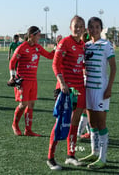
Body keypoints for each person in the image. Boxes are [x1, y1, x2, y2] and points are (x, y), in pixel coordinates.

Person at [47, 15, 86, 170]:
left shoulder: (83, 45)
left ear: (84, 29)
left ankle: (71, 155)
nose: (78, 28)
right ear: (70, 27)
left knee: (75, 123)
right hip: (66, 89)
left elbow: (82, 65)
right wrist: (62, 83)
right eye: (76, 26)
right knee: (60, 123)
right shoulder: (65, 42)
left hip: (79, 88)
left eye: (81, 26)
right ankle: (50, 157)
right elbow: (55, 64)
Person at [78, 17, 116, 169]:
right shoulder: (86, 46)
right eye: (91, 27)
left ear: (101, 29)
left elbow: (113, 68)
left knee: (101, 123)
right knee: (92, 123)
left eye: (97, 27)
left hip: (101, 90)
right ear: (88, 30)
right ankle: (94, 152)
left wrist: (109, 88)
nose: (94, 29)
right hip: (88, 88)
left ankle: (103, 158)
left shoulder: (106, 45)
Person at [8, 26, 55, 137]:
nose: (39, 37)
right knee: (23, 104)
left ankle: (28, 130)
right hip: (23, 80)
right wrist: (12, 77)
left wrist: (57, 48)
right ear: (31, 36)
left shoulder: (38, 47)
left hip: (33, 80)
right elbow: (12, 62)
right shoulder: (22, 47)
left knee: (31, 104)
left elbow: (49, 56)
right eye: (38, 35)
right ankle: (15, 124)